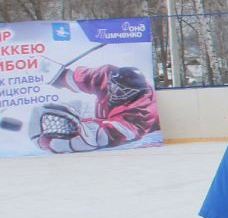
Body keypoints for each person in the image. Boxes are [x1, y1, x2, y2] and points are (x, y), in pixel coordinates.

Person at [31, 63, 159, 152]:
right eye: (113, 86)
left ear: (136, 92)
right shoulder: (106, 74)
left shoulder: (143, 112)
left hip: (138, 132)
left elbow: (105, 136)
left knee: (93, 138)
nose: (114, 92)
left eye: (122, 91)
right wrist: (49, 73)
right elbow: (70, 78)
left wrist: (76, 127)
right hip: (106, 117)